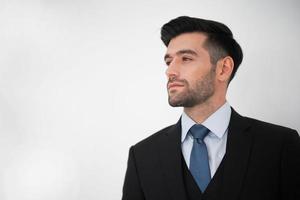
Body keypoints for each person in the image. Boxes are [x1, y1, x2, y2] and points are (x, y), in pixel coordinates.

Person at [121, 16, 300, 200]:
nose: (170, 71)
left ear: (223, 69)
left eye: (186, 58)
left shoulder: (279, 145)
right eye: (169, 61)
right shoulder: (142, 155)